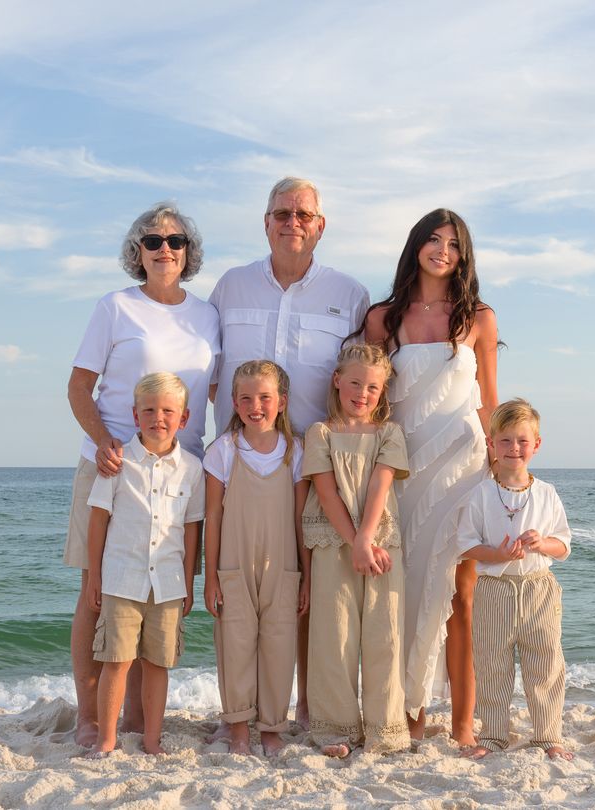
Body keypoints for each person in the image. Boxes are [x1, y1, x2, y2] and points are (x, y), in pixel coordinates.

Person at [209, 176, 368, 726]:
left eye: (303, 213)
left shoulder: (349, 296)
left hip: (317, 467)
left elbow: (363, 382)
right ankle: (242, 709)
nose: (291, 222)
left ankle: (300, 708)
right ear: (265, 222)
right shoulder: (230, 287)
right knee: (239, 589)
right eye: (281, 213)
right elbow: (209, 373)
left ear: (320, 225)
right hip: (242, 466)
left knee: (302, 587)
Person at [64, 202, 219, 746]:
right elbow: (79, 386)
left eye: (175, 242)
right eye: (152, 241)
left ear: (188, 253)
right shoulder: (115, 307)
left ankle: (134, 720)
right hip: (114, 465)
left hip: (181, 474)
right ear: (137, 252)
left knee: (159, 596)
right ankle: (90, 716)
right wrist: (107, 441)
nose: (164, 250)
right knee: (97, 591)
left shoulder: (206, 315)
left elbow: (214, 392)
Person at [361, 208, 499, 747]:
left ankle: (462, 727)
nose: (443, 250)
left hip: (464, 468)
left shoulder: (479, 318)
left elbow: (489, 403)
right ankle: (408, 715)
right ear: (416, 244)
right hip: (403, 470)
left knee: (459, 596)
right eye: (434, 239)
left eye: (454, 243)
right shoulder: (382, 318)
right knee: (403, 594)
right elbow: (368, 400)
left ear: (464, 255)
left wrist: (503, 472)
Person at [83, 373, 204, 757]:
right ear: (136, 416)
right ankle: (107, 739)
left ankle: (152, 741)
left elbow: (191, 531)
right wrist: (95, 577)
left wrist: (188, 584)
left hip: (168, 585)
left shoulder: (192, 469)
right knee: (115, 661)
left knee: (157, 664)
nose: (159, 418)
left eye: (168, 411)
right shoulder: (117, 462)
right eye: (149, 410)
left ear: (183, 419)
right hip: (122, 579)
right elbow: (99, 519)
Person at [301, 343, 411, 757]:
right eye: (354, 383)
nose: (362, 393)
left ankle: (385, 729)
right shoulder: (320, 433)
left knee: (385, 634)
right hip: (333, 544)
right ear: (337, 381)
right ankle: (337, 729)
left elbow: (381, 485)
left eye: (373, 388)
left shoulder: (389, 433)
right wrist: (353, 542)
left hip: (382, 544)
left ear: (382, 392)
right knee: (335, 635)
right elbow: (326, 494)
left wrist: (366, 541)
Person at [455, 398, 573, 761]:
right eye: (505, 441)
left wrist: (543, 543)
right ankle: (492, 735)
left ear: (536, 445)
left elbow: (563, 545)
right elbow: (467, 546)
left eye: (522, 441)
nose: (514, 448)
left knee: (545, 661)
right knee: (492, 663)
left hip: (539, 587)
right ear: (491, 444)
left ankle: (547, 735)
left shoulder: (547, 493)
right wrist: (498, 554)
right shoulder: (480, 494)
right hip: (495, 588)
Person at [203, 360, 310, 756]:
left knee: (279, 643)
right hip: (233, 564)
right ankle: (237, 729)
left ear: (281, 401)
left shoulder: (295, 451)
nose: (255, 406)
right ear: (233, 402)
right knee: (235, 642)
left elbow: (301, 518)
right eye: (246, 398)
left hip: (283, 565)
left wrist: (307, 576)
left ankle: (271, 727)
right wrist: (210, 576)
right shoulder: (224, 452)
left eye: (264, 397)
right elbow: (213, 516)